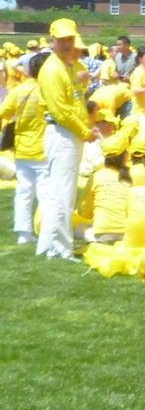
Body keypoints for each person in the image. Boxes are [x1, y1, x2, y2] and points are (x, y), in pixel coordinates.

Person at [36, 19, 94, 260]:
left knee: (58, 193)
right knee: (63, 195)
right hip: (63, 133)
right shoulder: (53, 70)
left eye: (70, 39)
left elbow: (73, 102)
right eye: (62, 40)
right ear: (53, 40)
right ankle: (59, 249)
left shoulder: (65, 66)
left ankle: (49, 245)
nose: (68, 44)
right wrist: (85, 131)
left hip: (67, 133)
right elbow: (61, 111)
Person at [2, 50, 47, 244]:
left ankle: (23, 233)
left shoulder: (18, 91)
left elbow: (3, 112)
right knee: (46, 193)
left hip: (22, 147)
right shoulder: (48, 91)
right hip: (44, 148)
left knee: (24, 192)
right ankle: (46, 230)